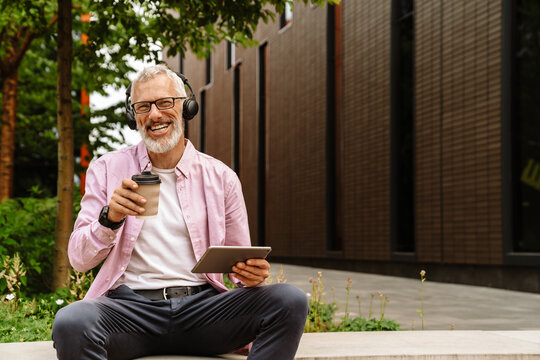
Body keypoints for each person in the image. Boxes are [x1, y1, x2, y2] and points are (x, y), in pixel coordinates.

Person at [52, 64, 308, 360]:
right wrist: (109, 219)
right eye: (143, 106)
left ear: (186, 106)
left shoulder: (221, 177)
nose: (154, 115)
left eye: (164, 103)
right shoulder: (106, 169)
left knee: (290, 300)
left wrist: (251, 275)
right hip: (130, 312)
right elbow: (78, 260)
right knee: (72, 322)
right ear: (132, 115)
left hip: (204, 312)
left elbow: (240, 262)